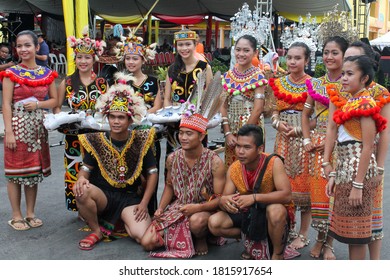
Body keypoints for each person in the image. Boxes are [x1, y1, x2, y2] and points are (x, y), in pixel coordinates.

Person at [74, 73, 158, 250]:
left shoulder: (141, 139)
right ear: (107, 117)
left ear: (130, 119)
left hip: (130, 199)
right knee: (81, 191)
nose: (116, 121)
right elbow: (85, 169)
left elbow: (152, 174)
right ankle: (97, 230)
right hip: (103, 196)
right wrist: (81, 178)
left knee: (144, 238)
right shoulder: (96, 140)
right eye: (112, 117)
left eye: (121, 117)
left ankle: (124, 223)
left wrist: (144, 203)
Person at [141, 94, 226, 258]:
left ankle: (200, 237)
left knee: (197, 222)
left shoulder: (215, 162)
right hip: (179, 207)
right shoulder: (173, 159)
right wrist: (160, 208)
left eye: (189, 134)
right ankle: (188, 236)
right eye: (181, 133)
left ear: (201, 136)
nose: (183, 138)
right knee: (148, 242)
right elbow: (170, 186)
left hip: (205, 209)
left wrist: (198, 208)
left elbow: (219, 199)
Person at [323, 55, 386, 260]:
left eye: (350, 74)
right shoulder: (353, 101)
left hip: (357, 175)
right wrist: (334, 174)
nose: (343, 78)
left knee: (357, 234)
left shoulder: (366, 104)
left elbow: (368, 147)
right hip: (346, 172)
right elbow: (342, 141)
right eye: (343, 74)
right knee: (351, 234)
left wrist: (358, 185)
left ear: (364, 78)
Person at [208, 125, 294, 260]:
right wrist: (224, 201)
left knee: (276, 210)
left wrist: (254, 198)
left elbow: (286, 195)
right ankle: (252, 242)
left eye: (247, 147)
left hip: (269, 214)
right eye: (238, 146)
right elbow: (226, 196)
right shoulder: (234, 167)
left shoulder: (273, 162)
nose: (240, 152)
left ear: (260, 149)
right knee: (214, 223)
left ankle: (278, 254)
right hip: (249, 214)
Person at [0, 30, 58, 230]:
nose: (22, 49)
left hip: (37, 130)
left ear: (36, 47)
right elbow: (6, 104)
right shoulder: (11, 73)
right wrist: (8, 131)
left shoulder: (47, 73)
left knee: (32, 173)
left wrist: (39, 106)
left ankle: (31, 213)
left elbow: (53, 100)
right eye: (19, 46)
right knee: (15, 173)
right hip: (16, 128)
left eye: (27, 45)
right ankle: (16, 215)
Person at [301, 36, 348, 260]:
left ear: (345, 56)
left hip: (343, 145)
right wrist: (306, 139)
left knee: (335, 196)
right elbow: (305, 114)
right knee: (319, 195)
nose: (329, 57)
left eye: (335, 53)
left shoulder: (351, 84)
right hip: (318, 146)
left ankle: (329, 243)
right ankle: (320, 237)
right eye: (326, 52)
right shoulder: (316, 83)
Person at [54, 29, 108, 212]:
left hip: (97, 137)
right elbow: (57, 108)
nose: (83, 61)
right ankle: (80, 208)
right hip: (74, 138)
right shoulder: (67, 82)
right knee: (74, 170)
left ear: (94, 59)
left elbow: (108, 109)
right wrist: (61, 122)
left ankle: (97, 206)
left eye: (87, 57)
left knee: (98, 171)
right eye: (79, 57)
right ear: (75, 59)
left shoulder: (102, 83)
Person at [269, 41, 313, 250]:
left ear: (306, 60)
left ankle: (304, 234)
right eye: (290, 57)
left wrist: (299, 130)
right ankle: (289, 227)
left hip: (305, 139)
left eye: (298, 58)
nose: (293, 61)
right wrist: (277, 124)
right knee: (284, 184)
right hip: (283, 139)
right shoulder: (279, 82)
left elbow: (320, 117)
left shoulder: (315, 85)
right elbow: (273, 111)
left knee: (305, 185)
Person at [118, 30, 162, 214]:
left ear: (143, 60)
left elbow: (157, 107)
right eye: (128, 58)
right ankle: (128, 212)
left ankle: (150, 212)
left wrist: (140, 115)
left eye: (135, 58)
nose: (131, 62)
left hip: (149, 135)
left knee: (150, 172)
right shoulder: (120, 82)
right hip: (128, 135)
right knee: (128, 174)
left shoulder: (153, 81)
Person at [163, 29, 213, 155]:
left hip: (196, 124)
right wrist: (169, 117)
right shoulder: (172, 69)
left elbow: (210, 97)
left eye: (188, 44)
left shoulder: (204, 67)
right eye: (180, 45)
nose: (184, 48)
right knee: (174, 162)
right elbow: (167, 98)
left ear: (195, 45)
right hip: (175, 125)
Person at [221, 34, 267, 167]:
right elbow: (223, 106)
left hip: (252, 128)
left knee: (251, 166)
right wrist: (228, 133)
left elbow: (258, 109)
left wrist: (242, 135)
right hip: (231, 127)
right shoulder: (227, 76)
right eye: (238, 49)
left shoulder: (258, 76)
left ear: (255, 53)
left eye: (246, 50)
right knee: (231, 167)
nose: (241, 54)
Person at [0, 43, 15, 111]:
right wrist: (8, 65)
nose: (4, 54)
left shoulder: (5, 60)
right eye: (2, 52)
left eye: (6, 53)